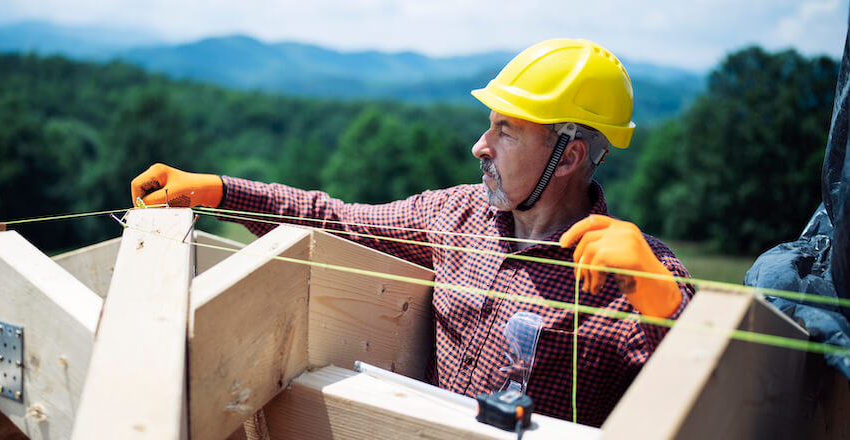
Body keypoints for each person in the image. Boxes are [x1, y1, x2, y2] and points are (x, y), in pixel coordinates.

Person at [130, 38, 693, 426]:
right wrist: (221, 193)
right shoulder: (455, 216)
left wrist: (662, 303)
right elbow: (337, 222)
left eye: (507, 131)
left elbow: (719, 399)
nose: (481, 146)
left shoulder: (633, 273)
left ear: (567, 157)